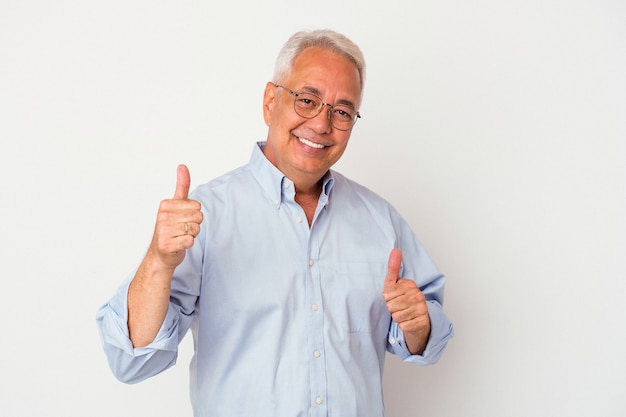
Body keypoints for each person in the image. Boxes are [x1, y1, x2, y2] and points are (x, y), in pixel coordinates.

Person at [97, 29, 454, 417]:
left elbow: (426, 334)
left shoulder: (381, 220)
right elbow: (130, 360)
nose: (321, 124)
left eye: (342, 111)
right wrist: (158, 262)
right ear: (271, 101)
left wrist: (418, 326)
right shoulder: (205, 214)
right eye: (307, 100)